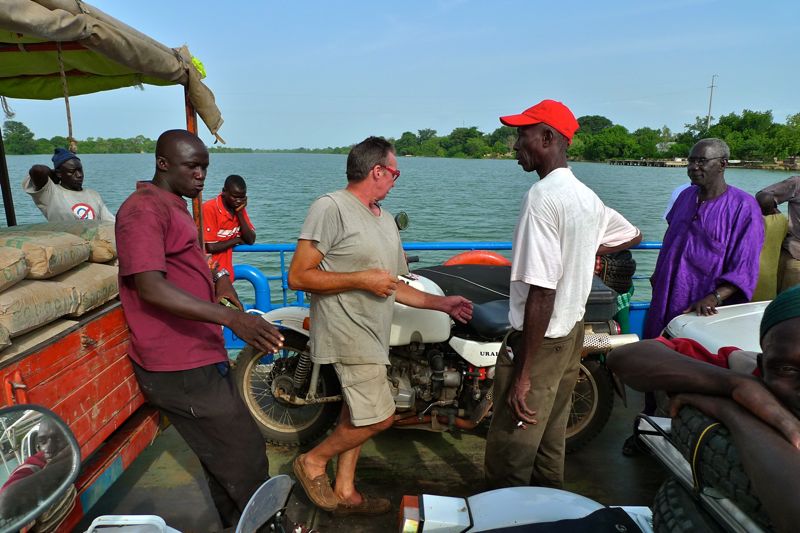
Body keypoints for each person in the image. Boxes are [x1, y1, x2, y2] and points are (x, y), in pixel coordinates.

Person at [287, 136, 473, 515]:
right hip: (347, 332)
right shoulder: (331, 207)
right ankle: (313, 461)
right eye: (395, 173)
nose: (395, 180)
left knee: (356, 413)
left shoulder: (385, 219)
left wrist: (442, 303)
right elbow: (298, 276)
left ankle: (345, 491)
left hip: (376, 334)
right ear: (377, 170)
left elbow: (393, 285)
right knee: (381, 417)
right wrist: (360, 279)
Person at [115, 129, 285, 528]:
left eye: (205, 166)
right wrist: (233, 318)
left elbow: (184, 265)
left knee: (226, 460)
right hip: (177, 365)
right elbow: (151, 286)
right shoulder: (143, 209)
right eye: (192, 165)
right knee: (245, 455)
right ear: (162, 164)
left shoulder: (173, 206)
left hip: (198, 355)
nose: (201, 175)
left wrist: (217, 280)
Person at [483, 100, 642, 490]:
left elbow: (541, 291)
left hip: (542, 339)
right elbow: (631, 234)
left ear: (547, 138)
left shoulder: (542, 199)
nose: (514, 145)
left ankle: (507, 515)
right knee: (551, 438)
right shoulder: (585, 197)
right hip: (572, 333)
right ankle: (549, 509)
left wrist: (523, 373)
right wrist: (584, 250)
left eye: (522, 135)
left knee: (513, 448)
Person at [607, 285, 800, 533]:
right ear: (762, 367)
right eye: (787, 369)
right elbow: (626, 358)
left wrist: (731, 411)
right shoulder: (748, 371)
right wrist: (737, 385)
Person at [623, 139, 765, 453]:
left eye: (702, 161)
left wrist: (715, 296)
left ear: (723, 164)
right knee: (656, 365)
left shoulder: (743, 208)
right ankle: (648, 431)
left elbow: (745, 265)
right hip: (666, 298)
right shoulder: (686, 198)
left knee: (693, 375)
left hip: (704, 310)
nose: (694, 167)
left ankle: (691, 441)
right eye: (691, 161)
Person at [22, 148, 115, 222]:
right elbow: (37, 170)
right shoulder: (50, 192)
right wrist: (53, 175)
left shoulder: (93, 194)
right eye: (72, 171)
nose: (79, 175)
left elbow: (110, 222)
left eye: (80, 170)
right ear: (59, 173)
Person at [202, 174, 256, 298]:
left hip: (225, 276)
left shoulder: (238, 208)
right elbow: (211, 247)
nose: (238, 201)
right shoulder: (209, 209)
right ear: (224, 192)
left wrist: (240, 213)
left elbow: (250, 239)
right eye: (234, 197)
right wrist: (236, 239)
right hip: (209, 275)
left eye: (242, 198)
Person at [756, 176, 800, 292]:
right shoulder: (797, 183)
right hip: (795, 258)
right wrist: (778, 218)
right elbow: (763, 196)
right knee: (789, 307)